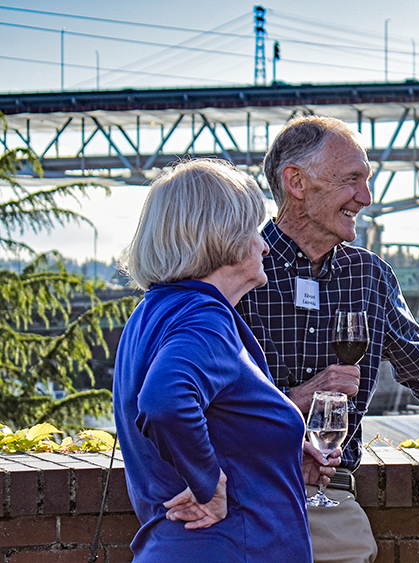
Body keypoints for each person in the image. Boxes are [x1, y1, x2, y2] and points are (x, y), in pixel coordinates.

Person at [236, 115, 419, 563]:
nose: (366, 199)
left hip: (330, 499)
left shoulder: (369, 276)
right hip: (243, 494)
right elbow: (201, 401)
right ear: (297, 183)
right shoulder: (238, 267)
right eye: (353, 180)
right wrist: (298, 397)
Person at [113, 159, 330, 562]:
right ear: (224, 235)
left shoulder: (153, 313)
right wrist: (208, 485)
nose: (264, 244)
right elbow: (165, 401)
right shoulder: (204, 318)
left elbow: (216, 424)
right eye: (253, 230)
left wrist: (276, 452)